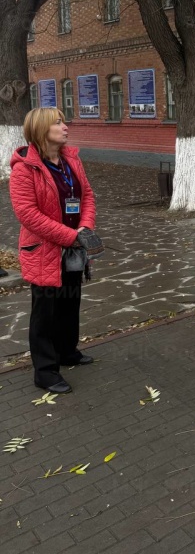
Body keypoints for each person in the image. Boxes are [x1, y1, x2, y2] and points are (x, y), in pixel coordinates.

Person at [9, 108, 97, 394]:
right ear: (41, 129)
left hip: (73, 248)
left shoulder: (72, 160)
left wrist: (84, 229)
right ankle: (45, 372)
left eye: (64, 121)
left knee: (70, 303)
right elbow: (28, 214)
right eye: (58, 122)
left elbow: (87, 197)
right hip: (45, 250)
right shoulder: (25, 168)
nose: (65, 126)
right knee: (45, 313)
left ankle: (67, 352)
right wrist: (70, 236)